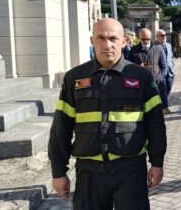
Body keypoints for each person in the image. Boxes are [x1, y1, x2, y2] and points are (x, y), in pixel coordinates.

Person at [48, 18, 166, 209]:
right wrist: (58, 172)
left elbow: (156, 125)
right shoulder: (74, 78)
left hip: (130, 169)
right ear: (92, 41)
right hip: (89, 172)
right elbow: (60, 128)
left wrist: (157, 162)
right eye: (101, 38)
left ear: (124, 41)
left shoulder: (141, 77)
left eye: (113, 38)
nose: (107, 44)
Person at [129, 28, 168, 114]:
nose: (146, 41)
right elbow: (129, 67)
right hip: (140, 83)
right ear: (139, 38)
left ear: (151, 37)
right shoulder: (134, 50)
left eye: (148, 39)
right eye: (143, 39)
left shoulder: (158, 49)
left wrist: (160, 79)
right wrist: (138, 67)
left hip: (156, 82)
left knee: (156, 108)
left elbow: (164, 67)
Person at [155, 29, 175, 114]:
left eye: (165, 35)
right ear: (157, 37)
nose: (164, 37)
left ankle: (161, 103)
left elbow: (171, 57)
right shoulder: (154, 46)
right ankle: (165, 108)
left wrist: (173, 66)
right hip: (160, 72)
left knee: (168, 87)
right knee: (162, 89)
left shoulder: (168, 45)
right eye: (162, 35)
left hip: (170, 71)